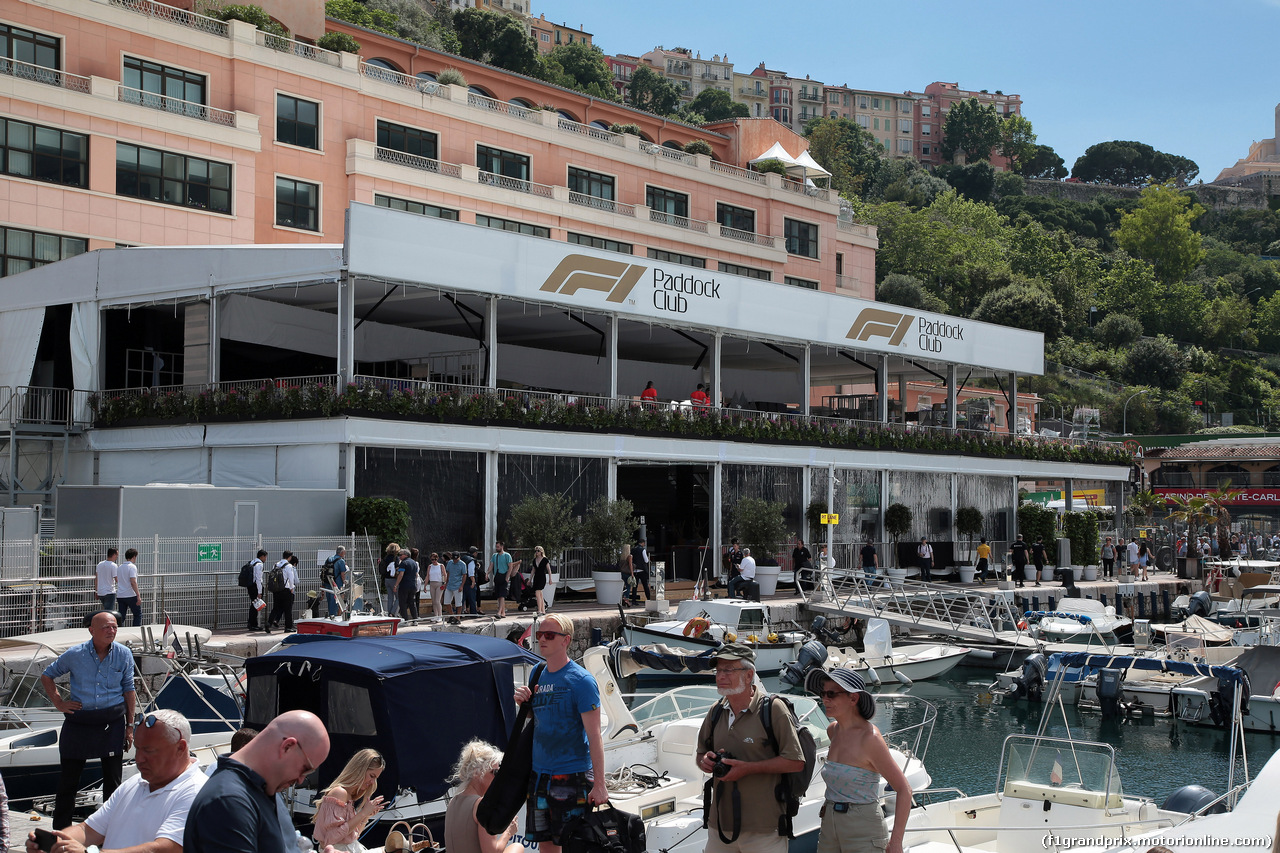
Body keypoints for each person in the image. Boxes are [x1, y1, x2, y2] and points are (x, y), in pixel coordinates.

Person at [29, 710, 206, 853]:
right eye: (137, 749)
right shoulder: (134, 783)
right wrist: (54, 843)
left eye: (149, 751)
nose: (139, 759)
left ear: (180, 748)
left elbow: (164, 849)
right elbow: (87, 830)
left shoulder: (197, 792)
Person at [696, 644, 804, 853]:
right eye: (718, 670)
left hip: (764, 829)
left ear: (749, 675)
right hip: (719, 829)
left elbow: (796, 762)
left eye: (728, 670)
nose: (720, 676)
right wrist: (705, 761)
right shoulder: (716, 711)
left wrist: (748, 768)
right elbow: (701, 754)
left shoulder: (773, 709)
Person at [513, 614, 607, 853]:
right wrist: (525, 703)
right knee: (545, 844)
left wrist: (600, 784)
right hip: (539, 775)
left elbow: (595, 736)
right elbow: (541, 718)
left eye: (549, 635)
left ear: (565, 640)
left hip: (571, 775)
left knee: (573, 845)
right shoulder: (537, 672)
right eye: (540, 635)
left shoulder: (581, 681)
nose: (542, 639)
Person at [41, 611, 137, 830]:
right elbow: (47, 675)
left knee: (113, 783)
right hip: (80, 721)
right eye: (105, 627)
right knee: (68, 781)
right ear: (91, 630)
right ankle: (61, 832)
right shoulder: (75, 654)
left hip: (111, 722)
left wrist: (130, 727)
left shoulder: (124, 654)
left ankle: (110, 832)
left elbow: (129, 690)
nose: (111, 631)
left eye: (114, 627)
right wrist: (59, 703)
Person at [185, 710, 330, 853]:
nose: (300, 780)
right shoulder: (229, 801)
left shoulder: (265, 789)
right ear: (287, 747)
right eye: (305, 769)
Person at [805, 667, 911, 853]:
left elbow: (904, 789)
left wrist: (895, 843)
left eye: (832, 694)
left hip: (863, 828)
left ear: (853, 699)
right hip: (829, 824)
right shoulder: (833, 730)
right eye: (823, 693)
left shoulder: (870, 738)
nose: (825, 699)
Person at [444, 740, 523, 853]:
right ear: (477, 773)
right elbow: (491, 852)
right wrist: (508, 833)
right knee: (517, 847)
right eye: (494, 772)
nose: (498, 778)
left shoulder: (452, 802)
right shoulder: (482, 806)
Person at [312, 749, 386, 853]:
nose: (373, 782)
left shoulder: (349, 796)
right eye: (372, 776)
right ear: (359, 770)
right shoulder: (339, 793)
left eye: (376, 778)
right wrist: (363, 813)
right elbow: (329, 840)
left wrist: (366, 816)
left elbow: (351, 837)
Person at [267, 553, 298, 634]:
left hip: (276, 590)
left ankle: (268, 623)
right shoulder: (288, 566)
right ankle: (288, 627)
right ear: (289, 557)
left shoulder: (276, 565)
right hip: (286, 589)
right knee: (288, 609)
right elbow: (291, 578)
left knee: (275, 608)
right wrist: (292, 588)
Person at [116, 548, 142, 627]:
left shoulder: (120, 567)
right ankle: (136, 630)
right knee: (137, 614)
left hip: (120, 594)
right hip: (130, 594)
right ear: (134, 557)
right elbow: (133, 581)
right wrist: (138, 595)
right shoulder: (132, 567)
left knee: (121, 616)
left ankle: (120, 631)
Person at [394, 548, 419, 622]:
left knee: (403, 603)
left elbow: (401, 575)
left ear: (406, 555)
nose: (399, 557)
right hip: (413, 585)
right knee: (412, 603)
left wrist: (396, 585)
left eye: (400, 555)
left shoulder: (403, 563)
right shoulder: (414, 563)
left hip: (404, 585)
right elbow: (416, 575)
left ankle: (405, 620)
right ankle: (415, 619)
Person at [490, 542, 513, 620]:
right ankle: (503, 612)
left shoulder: (507, 555)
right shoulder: (495, 556)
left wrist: (507, 576)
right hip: (497, 576)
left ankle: (499, 612)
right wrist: (487, 573)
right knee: (498, 595)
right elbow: (491, 565)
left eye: (498, 547)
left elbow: (510, 567)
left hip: (504, 576)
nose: (497, 548)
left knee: (502, 595)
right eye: (496, 547)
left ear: (502, 547)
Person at [247, 549, 267, 631]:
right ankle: (253, 624)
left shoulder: (252, 562)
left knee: (253, 605)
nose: (265, 559)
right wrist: (260, 592)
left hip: (250, 585)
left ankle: (251, 623)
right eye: (265, 557)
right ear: (262, 556)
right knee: (255, 606)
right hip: (255, 586)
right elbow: (258, 579)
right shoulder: (259, 564)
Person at [325, 547, 348, 618]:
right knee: (335, 601)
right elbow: (342, 574)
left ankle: (330, 616)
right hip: (336, 585)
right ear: (342, 552)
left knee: (329, 601)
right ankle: (333, 617)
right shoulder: (341, 561)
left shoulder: (329, 558)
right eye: (344, 552)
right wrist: (344, 582)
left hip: (327, 583)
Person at [380, 543, 401, 616]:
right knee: (399, 597)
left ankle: (389, 613)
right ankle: (392, 612)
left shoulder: (385, 558)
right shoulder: (396, 558)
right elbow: (398, 568)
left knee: (390, 597)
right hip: (393, 579)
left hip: (386, 579)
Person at [96, 548, 119, 613]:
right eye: (117, 555)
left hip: (100, 591)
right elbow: (117, 579)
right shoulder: (113, 566)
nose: (117, 557)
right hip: (109, 592)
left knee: (105, 611)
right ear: (114, 555)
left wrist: (96, 591)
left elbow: (96, 578)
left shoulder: (100, 564)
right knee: (109, 612)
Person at [445, 552, 467, 617]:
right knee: (447, 602)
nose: (455, 560)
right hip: (449, 585)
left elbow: (464, 575)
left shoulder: (462, 564)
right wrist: (446, 583)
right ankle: (452, 615)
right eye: (454, 559)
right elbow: (448, 573)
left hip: (458, 585)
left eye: (456, 559)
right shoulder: (450, 563)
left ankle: (458, 617)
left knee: (458, 603)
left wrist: (462, 586)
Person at [531, 546, 551, 616]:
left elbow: (548, 569)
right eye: (536, 551)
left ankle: (539, 610)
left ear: (541, 552)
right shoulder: (534, 560)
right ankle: (543, 610)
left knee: (537, 593)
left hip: (542, 577)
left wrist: (550, 579)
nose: (536, 552)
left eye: (538, 551)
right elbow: (533, 570)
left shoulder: (545, 559)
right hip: (536, 577)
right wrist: (530, 579)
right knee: (540, 594)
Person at [427, 552, 445, 621]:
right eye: (432, 560)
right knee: (433, 601)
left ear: (437, 559)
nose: (433, 561)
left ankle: (440, 615)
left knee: (437, 600)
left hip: (439, 583)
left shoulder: (441, 566)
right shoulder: (430, 566)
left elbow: (444, 575)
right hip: (432, 583)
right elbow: (428, 576)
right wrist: (425, 585)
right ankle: (435, 615)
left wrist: (444, 583)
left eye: (435, 559)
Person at [463, 547, 480, 615]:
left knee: (462, 599)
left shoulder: (463, 558)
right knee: (472, 598)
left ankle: (460, 613)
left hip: (462, 581)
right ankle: (473, 613)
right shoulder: (471, 561)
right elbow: (471, 572)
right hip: (469, 582)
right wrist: (473, 581)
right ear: (474, 553)